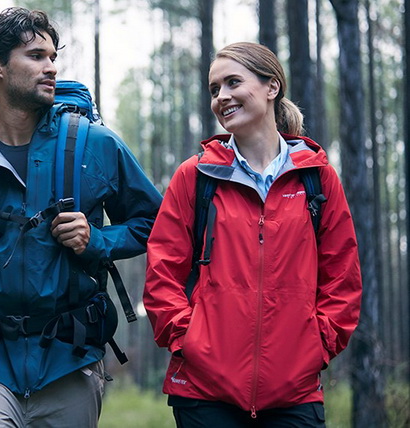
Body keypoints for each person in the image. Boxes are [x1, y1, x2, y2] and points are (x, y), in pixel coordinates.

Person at [0, 7, 162, 427]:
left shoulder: (96, 143)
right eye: (36, 56)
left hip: (70, 358)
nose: (51, 67)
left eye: (53, 57)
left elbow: (155, 222)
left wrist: (97, 240)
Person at [143, 42, 362, 427]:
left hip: (295, 392)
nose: (221, 97)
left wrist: (318, 345)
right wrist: (189, 340)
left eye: (232, 82)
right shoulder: (195, 177)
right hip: (203, 391)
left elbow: (342, 277)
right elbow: (162, 274)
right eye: (214, 89)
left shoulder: (316, 178)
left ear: (271, 87)